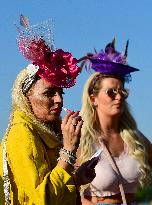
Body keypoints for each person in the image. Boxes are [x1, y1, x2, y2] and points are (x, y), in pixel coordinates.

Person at [0, 17, 98, 205]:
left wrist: (76, 179)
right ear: (25, 97)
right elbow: (40, 201)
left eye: (60, 92)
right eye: (49, 93)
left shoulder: (42, 133)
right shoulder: (23, 134)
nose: (59, 99)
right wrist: (68, 151)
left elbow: (52, 192)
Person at [78, 39, 152, 205]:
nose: (118, 97)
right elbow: (68, 189)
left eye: (122, 92)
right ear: (93, 98)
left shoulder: (136, 138)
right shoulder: (81, 139)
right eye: (111, 92)